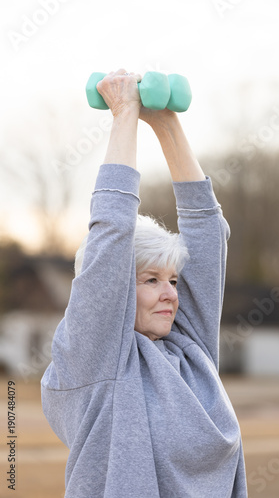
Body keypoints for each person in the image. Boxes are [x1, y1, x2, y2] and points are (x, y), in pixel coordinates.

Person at [41, 68, 248, 498]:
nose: (170, 294)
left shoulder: (191, 352)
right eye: (150, 280)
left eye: (172, 279)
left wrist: (165, 123)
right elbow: (111, 234)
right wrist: (124, 116)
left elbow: (208, 237)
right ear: (115, 286)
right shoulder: (94, 360)